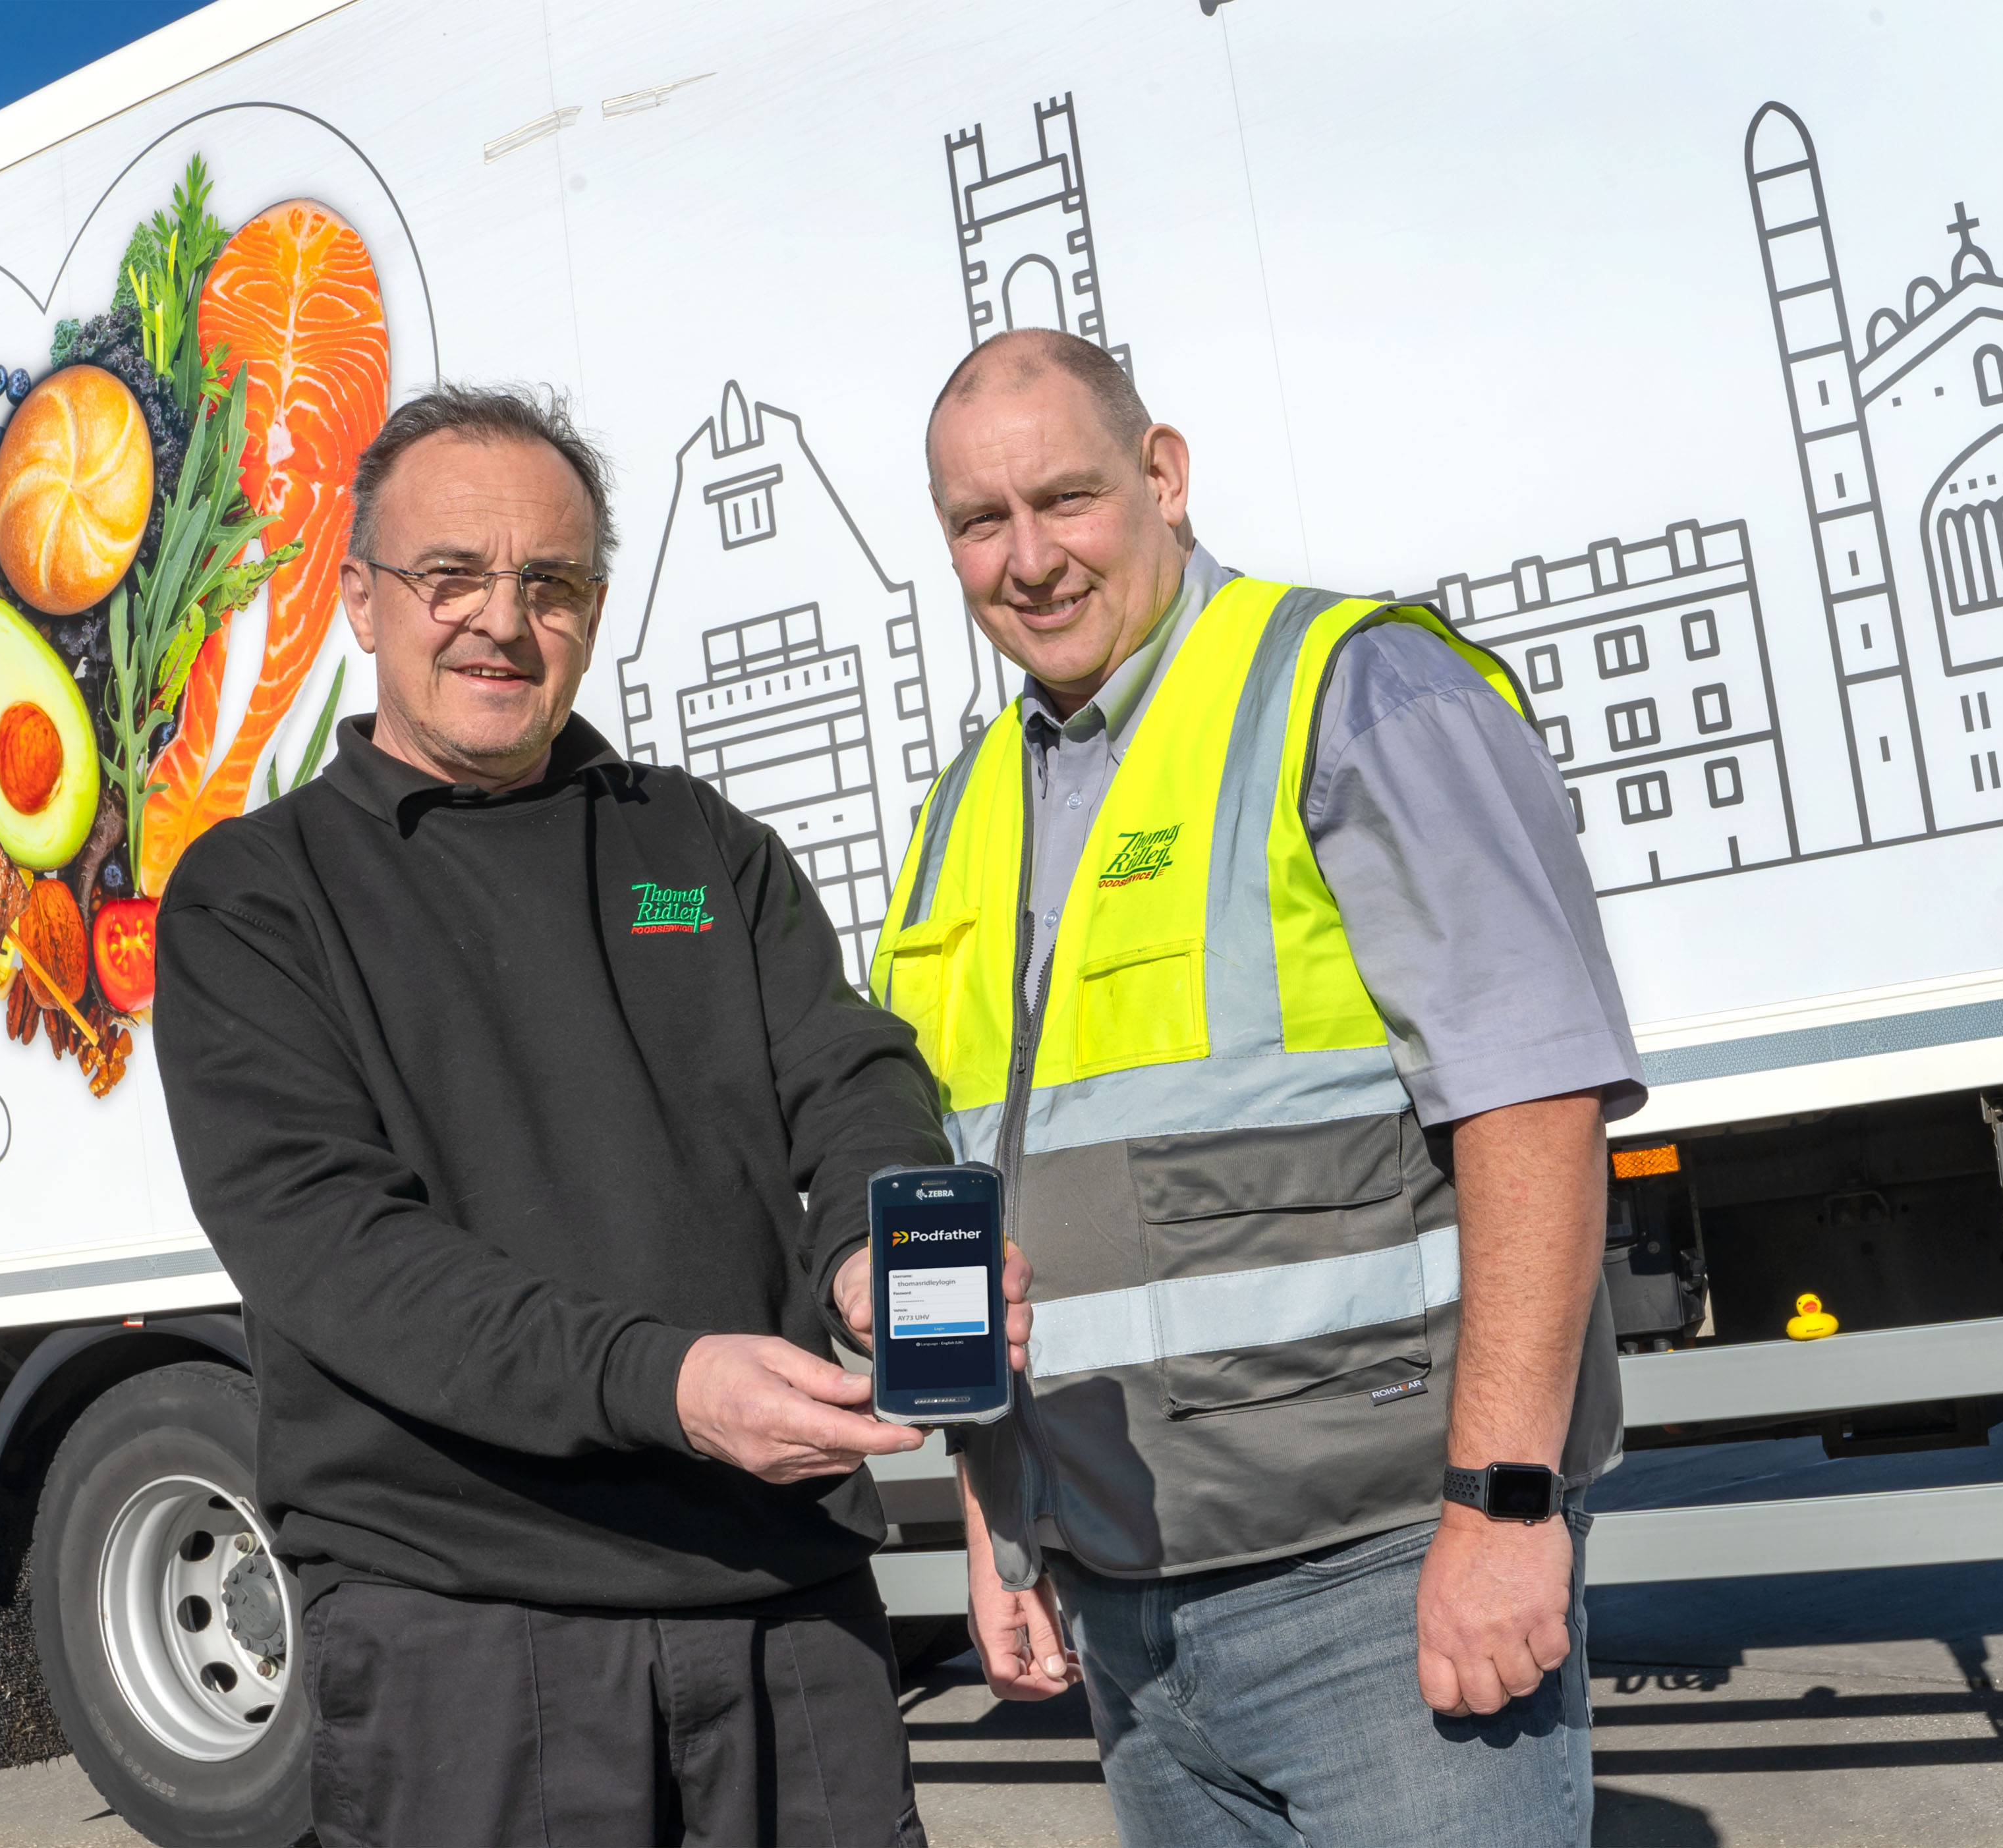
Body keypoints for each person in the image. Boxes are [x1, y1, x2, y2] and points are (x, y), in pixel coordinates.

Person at [152, 383, 1028, 1848]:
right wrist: (671, 1383)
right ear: (361, 600)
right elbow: (340, 1252)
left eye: (548, 583)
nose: (502, 620)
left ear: (596, 606)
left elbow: (848, 1071)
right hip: (470, 1638)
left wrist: (871, 1250)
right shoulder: (258, 899)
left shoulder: (702, 850)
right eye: (451, 577)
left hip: (784, 1613)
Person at [872, 329, 1645, 1848]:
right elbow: (961, 1195)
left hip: (1378, 1575)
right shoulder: (972, 801)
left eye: (1067, 499)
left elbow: (1535, 1107)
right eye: (981, 521)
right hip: (1127, 1613)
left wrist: (1500, 1507)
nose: (1027, 559)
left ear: (1163, 474)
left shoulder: (1350, 691)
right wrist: (996, 1517)